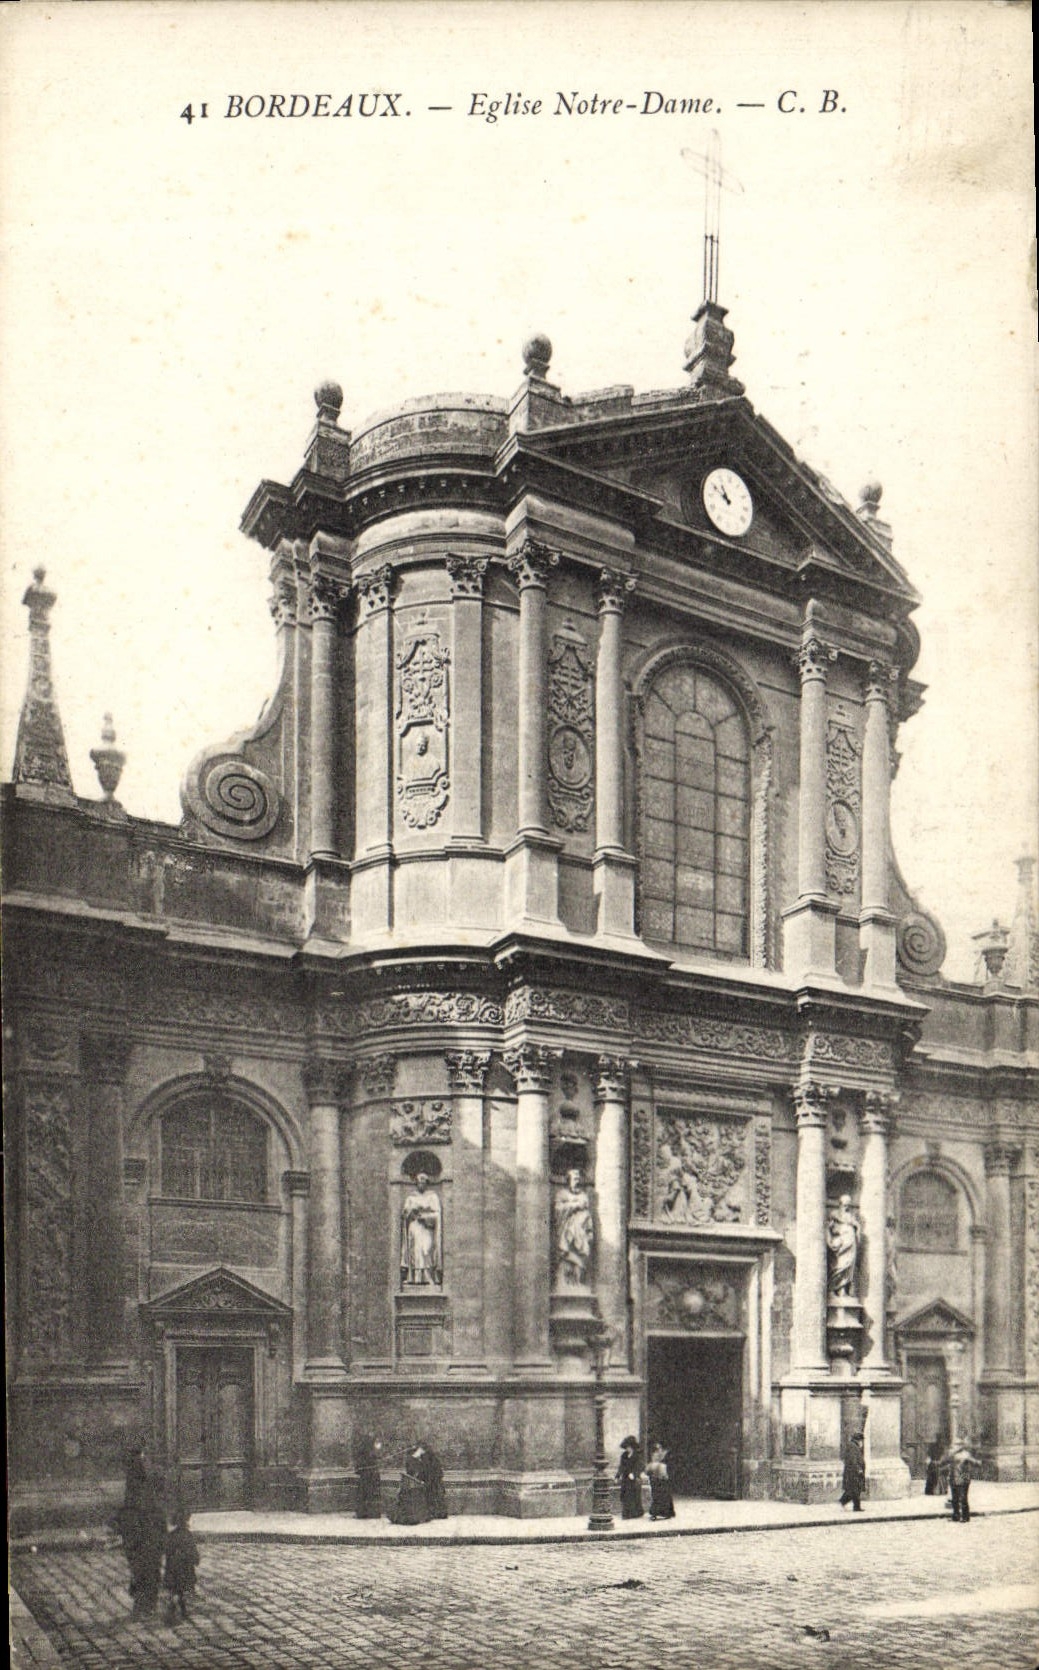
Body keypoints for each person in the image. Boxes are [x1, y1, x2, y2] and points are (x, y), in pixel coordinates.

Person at [115, 1445, 167, 1618]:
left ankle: (143, 1605)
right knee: (149, 1567)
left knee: (141, 1567)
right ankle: (147, 1604)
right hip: (147, 1525)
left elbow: (130, 1502)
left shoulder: (137, 1471)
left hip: (141, 1526)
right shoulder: (153, 1470)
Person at [553, 1168, 595, 1287]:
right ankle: (567, 1282)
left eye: (578, 1179)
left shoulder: (583, 1195)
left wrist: (589, 1231)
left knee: (582, 1255)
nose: (577, 1181)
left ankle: (578, 1282)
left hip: (581, 1231)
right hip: (566, 1229)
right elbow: (558, 1209)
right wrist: (575, 1205)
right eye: (574, 1179)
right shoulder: (562, 1194)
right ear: (568, 1180)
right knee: (566, 1254)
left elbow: (588, 1214)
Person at [400, 1174, 443, 1286]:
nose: (421, 1185)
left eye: (423, 1183)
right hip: (414, 1227)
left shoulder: (432, 1197)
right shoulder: (411, 1198)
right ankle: (415, 1278)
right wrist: (410, 1212)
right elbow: (404, 1215)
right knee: (415, 1251)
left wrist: (426, 1217)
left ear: (427, 1184)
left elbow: (437, 1214)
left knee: (426, 1249)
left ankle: (429, 1276)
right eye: (419, 1182)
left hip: (427, 1228)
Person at [162, 1511, 200, 1625]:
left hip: (172, 1568)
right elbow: (192, 1550)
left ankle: (180, 1611)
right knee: (180, 1591)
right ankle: (174, 1612)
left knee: (176, 1590)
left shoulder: (171, 1535)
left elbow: (167, 1550)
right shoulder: (187, 1535)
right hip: (184, 1568)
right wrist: (195, 1559)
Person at [826, 1196, 860, 1297]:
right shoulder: (834, 1214)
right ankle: (832, 1289)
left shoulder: (851, 1216)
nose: (847, 1207)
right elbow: (829, 1228)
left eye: (849, 1205)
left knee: (848, 1267)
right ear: (840, 1204)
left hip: (851, 1245)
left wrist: (858, 1230)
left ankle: (843, 1290)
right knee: (838, 1266)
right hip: (840, 1244)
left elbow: (857, 1227)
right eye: (845, 1205)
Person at [942, 1441, 981, 1522]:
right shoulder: (952, 1454)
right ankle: (956, 1516)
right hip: (954, 1479)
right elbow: (944, 1461)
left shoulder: (966, 1455)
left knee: (963, 1499)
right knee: (955, 1499)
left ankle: (965, 1517)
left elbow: (976, 1463)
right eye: (954, 1445)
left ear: (961, 1446)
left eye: (957, 1445)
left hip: (963, 1480)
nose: (954, 1446)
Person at [407, 1441, 448, 1519]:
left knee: (432, 1497)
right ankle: (437, 1513)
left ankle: (434, 1513)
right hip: (434, 1483)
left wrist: (414, 1457)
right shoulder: (430, 1457)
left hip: (432, 1483)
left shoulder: (426, 1458)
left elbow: (424, 1470)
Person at [353, 1433, 383, 1519]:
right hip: (368, 1475)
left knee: (369, 1493)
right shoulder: (367, 1451)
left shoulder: (370, 1450)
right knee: (367, 1493)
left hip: (371, 1475)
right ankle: (366, 1512)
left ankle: (370, 1512)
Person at [616, 1435, 644, 1520]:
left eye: (628, 1447)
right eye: (626, 1447)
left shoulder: (637, 1455)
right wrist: (617, 1476)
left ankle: (636, 1512)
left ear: (632, 1447)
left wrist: (634, 1474)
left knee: (633, 1495)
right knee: (625, 1495)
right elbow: (621, 1466)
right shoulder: (624, 1455)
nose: (627, 1449)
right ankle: (626, 1513)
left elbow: (640, 1466)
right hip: (625, 1478)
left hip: (633, 1479)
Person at [646, 1442, 676, 1521]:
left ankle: (666, 1512)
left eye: (659, 1448)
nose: (658, 1450)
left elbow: (669, 1466)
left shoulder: (666, 1455)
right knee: (657, 1495)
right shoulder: (655, 1455)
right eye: (657, 1448)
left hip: (663, 1477)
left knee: (664, 1495)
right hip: (656, 1477)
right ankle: (656, 1513)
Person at [838, 1431, 866, 1512]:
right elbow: (853, 1460)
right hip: (853, 1473)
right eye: (861, 1440)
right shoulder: (853, 1447)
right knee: (854, 1490)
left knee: (854, 1490)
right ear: (858, 1440)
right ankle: (851, 1505)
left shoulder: (853, 1446)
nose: (862, 1442)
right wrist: (858, 1469)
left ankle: (855, 1506)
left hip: (853, 1472)